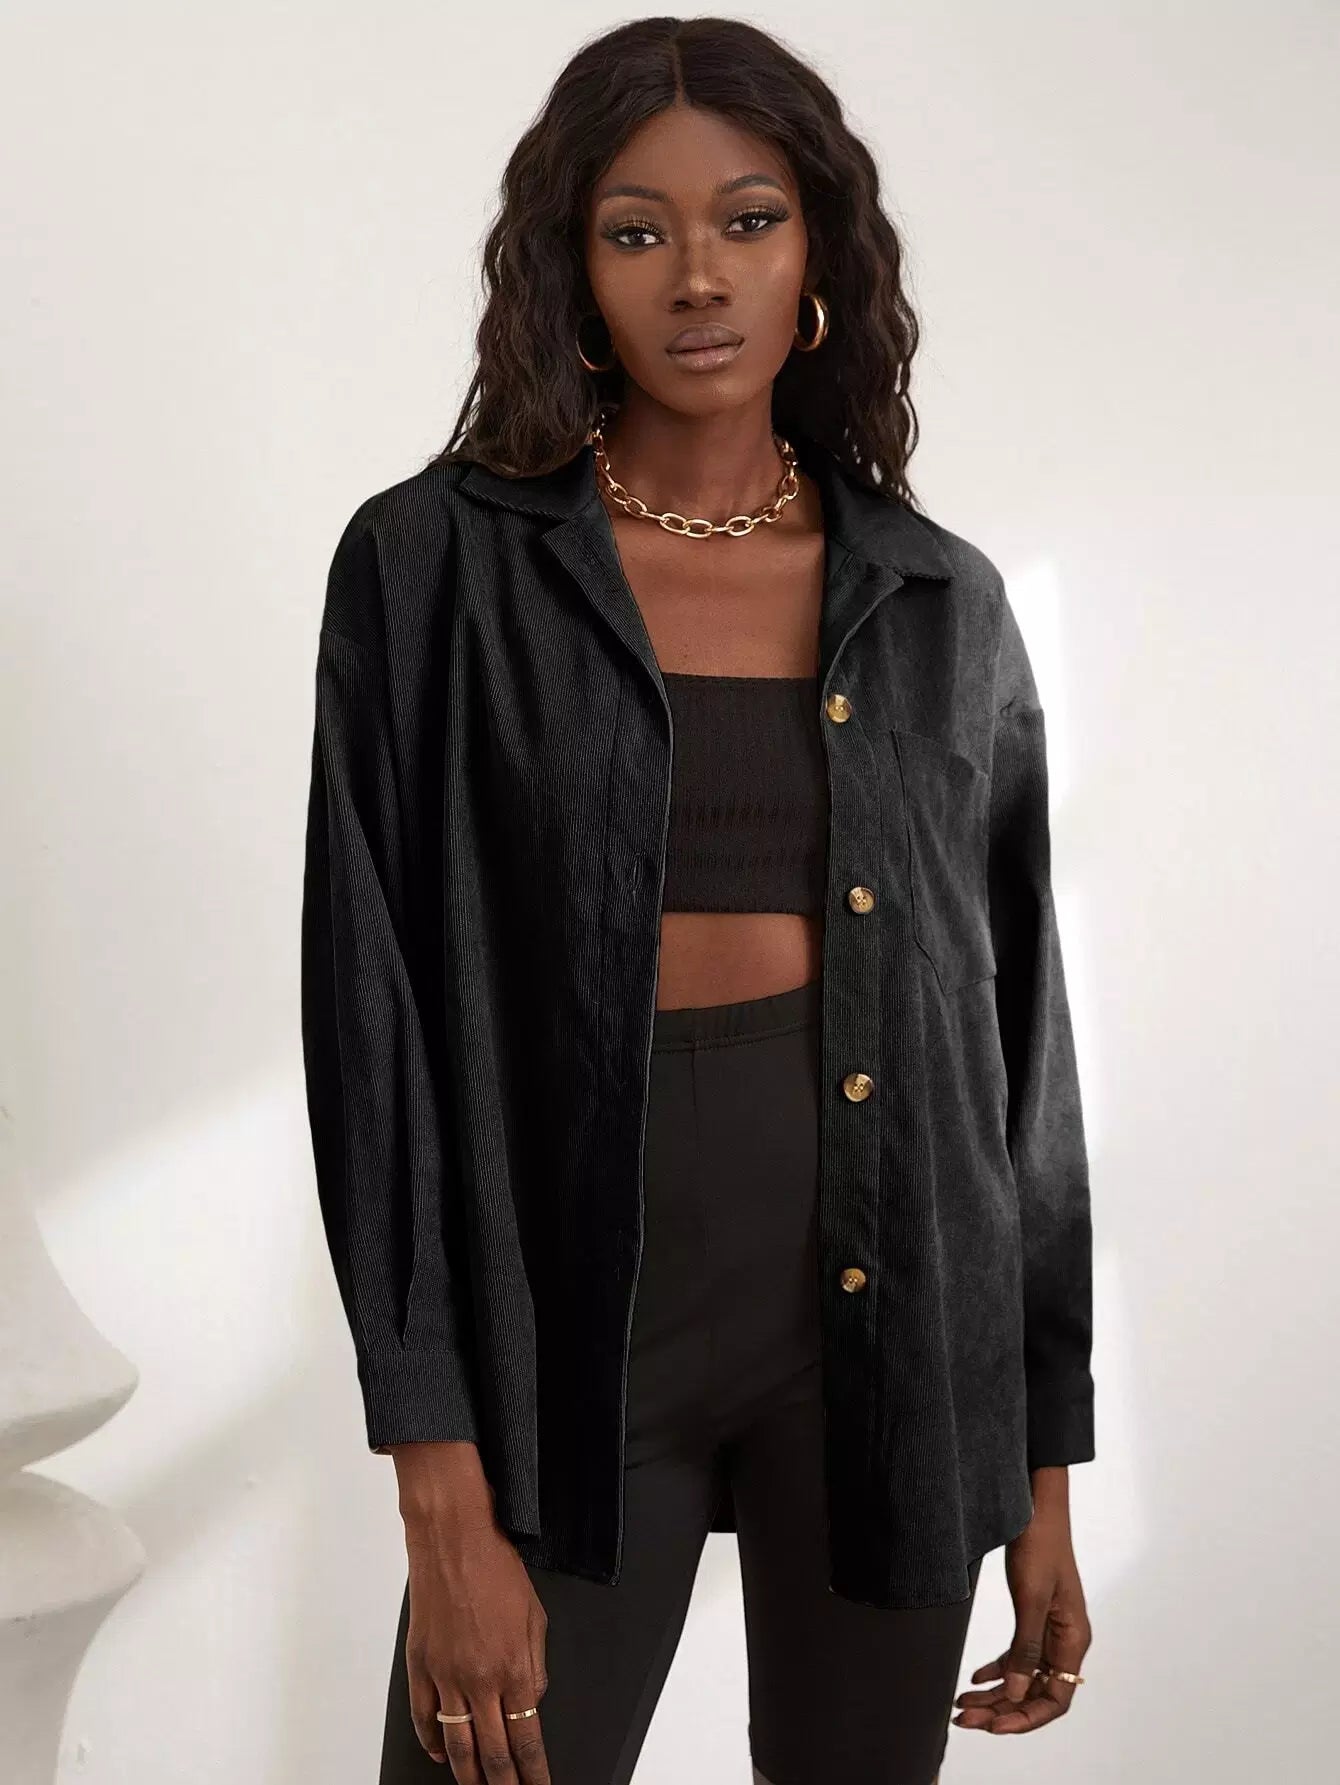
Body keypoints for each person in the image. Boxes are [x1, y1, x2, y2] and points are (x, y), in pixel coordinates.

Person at [300, 17, 1095, 1785]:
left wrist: (1042, 1468)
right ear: (571, 272)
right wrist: (438, 1488)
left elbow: (1019, 1060)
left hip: (896, 1338)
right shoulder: (437, 568)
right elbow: (372, 1031)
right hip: (577, 1340)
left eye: (748, 219)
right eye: (635, 231)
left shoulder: (939, 600)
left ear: (820, 253)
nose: (699, 276)